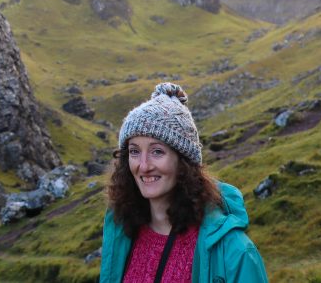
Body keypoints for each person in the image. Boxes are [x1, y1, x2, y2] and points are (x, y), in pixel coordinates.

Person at [99, 82, 268, 283]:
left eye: (157, 151)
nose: (143, 166)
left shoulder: (235, 253)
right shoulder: (121, 234)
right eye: (135, 151)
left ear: (183, 162)